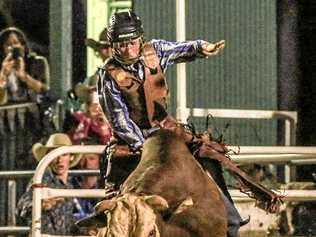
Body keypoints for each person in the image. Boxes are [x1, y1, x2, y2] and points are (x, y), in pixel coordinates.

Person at [96, 11, 243, 237]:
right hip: (132, 141)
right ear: (114, 45)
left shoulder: (154, 52)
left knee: (206, 157)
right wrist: (148, 148)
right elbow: (120, 121)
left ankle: (230, 218)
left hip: (166, 129)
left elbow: (180, 49)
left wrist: (201, 47)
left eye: (132, 43)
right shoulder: (108, 76)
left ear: (140, 40)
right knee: (115, 194)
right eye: (121, 44)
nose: (127, 49)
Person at [16, 133, 81, 235]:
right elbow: (21, 207)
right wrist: (41, 205)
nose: (59, 160)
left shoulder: (69, 185)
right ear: (48, 157)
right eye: (55, 155)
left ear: (71, 157)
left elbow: (66, 220)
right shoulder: (42, 178)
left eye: (64, 154)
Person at [0, 27, 49, 105]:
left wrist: (24, 77)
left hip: (34, 113)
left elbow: (45, 91)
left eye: (16, 43)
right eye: (8, 45)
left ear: (23, 46)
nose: (13, 47)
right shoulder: (2, 68)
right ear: (3, 49)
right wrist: (3, 76)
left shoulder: (37, 62)